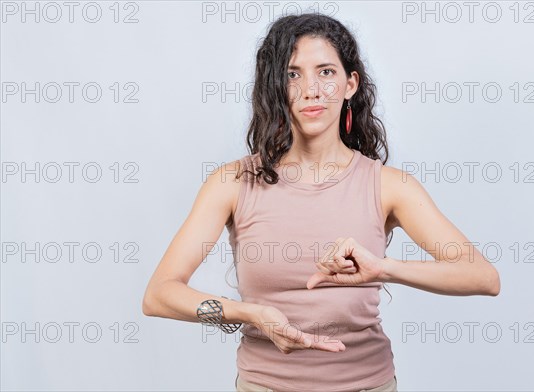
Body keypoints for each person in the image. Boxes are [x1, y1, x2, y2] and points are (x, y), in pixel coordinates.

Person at [142, 12, 501, 392]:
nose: (311, 89)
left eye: (326, 72)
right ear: (275, 87)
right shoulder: (231, 182)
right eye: (293, 74)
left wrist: (382, 268)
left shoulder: (389, 186)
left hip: (368, 384)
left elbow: (482, 276)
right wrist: (248, 314)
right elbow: (159, 295)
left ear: (350, 84)